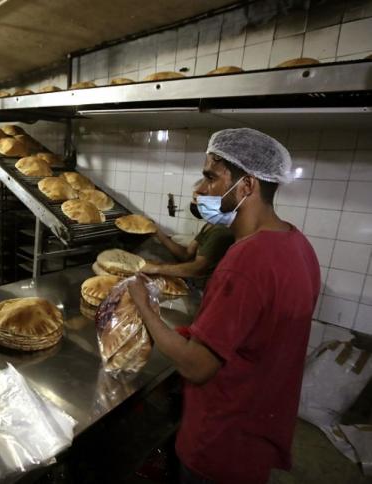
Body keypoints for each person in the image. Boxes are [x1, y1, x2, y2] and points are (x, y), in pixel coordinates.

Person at [128, 128, 320, 484]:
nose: (201, 189)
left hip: (220, 441)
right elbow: (260, 336)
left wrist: (143, 305)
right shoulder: (299, 245)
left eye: (211, 177)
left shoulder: (245, 260)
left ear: (246, 186)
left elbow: (196, 367)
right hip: (258, 433)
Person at [142, 180, 234, 289]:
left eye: (196, 200)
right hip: (196, 283)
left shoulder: (220, 230)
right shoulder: (210, 225)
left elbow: (198, 269)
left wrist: (156, 268)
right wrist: (157, 232)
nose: (193, 204)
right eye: (193, 199)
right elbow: (186, 254)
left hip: (205, 289)